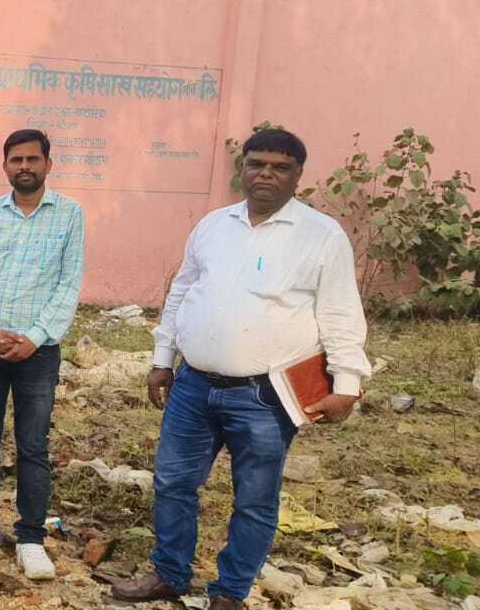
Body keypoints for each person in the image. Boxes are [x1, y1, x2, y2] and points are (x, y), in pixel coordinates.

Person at [111, 130, 370, 610]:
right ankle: (170, 573)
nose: (266, 174)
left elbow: (340, 313)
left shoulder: (321, 236)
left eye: (280, 167)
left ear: (297, 174)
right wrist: (162, 359)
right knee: (172, 482)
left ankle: (229, 593)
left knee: (254, 500)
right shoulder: (214, 225)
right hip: (193, 385)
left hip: (266, 395)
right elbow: (183, 291)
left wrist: (347, 384)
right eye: (256, 164)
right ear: (243, 169)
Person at [0, 128, 85, 581]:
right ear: (5, 166)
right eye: (16, 160)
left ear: (48, 164)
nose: (24, 167)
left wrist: (36, 337)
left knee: (33, 445)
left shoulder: (70, 215)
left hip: (38, 353)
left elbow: (69, 284)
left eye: (32, 159)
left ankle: (30, 539)